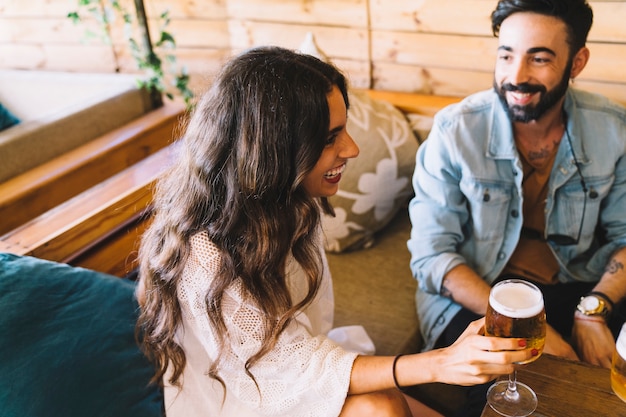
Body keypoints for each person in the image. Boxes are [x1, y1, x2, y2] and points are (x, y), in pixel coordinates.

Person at [135, 46, 534, 417]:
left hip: (291, 363)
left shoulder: (286, 202)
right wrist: (441, 362)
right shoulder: (206, 254)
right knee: (380, 408)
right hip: (243, 397)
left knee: (392, 403)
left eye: (344, 129)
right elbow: (277, 371)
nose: (352, 149)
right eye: (329, 139)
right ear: (272, 149)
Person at [408, 0, 626, 415]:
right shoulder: (455, 131)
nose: (516, 76)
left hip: (579, 284)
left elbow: (625, 237)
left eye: (539, 58)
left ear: (576, 62)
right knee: (513, 404)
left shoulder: (614, 129)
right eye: (505, 55)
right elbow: (433, 255)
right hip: (478, 294)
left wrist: (593, 310)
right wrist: (529, 326)